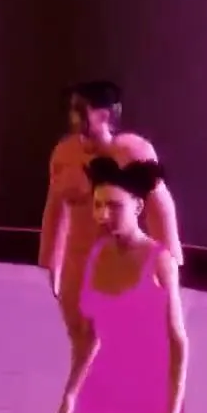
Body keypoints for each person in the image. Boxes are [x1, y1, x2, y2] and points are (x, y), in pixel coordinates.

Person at [54, 157, 199, 413]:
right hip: (101, 395)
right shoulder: (97, 255)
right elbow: (90, 338)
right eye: (98, 205)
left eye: (113, 206)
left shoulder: (160, 261)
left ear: (137, 206)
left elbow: (178, 342)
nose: (103, 214)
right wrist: (70, 394)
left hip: (148, 398)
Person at [39, 81, 184, 350]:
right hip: (77, 262)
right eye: (72, 108)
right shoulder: (64, 154)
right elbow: (55, 207)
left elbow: (160, 206)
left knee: (124, 337)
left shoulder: (133, 153)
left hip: (120, 260)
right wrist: (51, 259)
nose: (72, 116)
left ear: (103, 115)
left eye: (80, 109)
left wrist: (168, 261)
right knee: (80, 335)